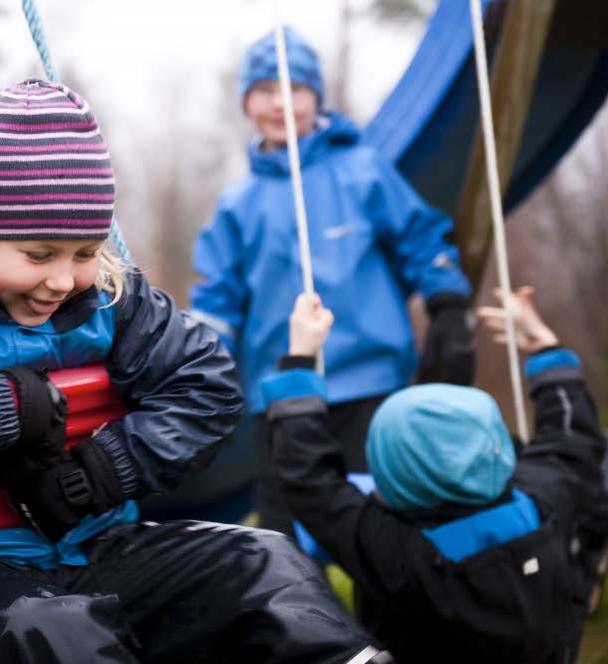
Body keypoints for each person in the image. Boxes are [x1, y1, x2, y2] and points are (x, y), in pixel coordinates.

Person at [0, 79, 391, 664]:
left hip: (92, 542)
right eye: (39, 256)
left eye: (86, 252)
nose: (64, 280)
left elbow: (208, 385)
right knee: (50, 633)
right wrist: (8, 407)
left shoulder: (115, 299)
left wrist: (99, 473)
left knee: (268, 570)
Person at [189, 26, 475, 535]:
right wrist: (197, 363)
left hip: (372, 381)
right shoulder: (239, 203)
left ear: (316, 95)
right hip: (282, 388)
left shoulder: (363, 170)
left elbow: (423, 239)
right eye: (265, 90)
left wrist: (447, 304)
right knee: (282, 536)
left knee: (385, 526)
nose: (281, 103)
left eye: (294, 88)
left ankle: (381, 617)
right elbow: (218, 297)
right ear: (246, 102)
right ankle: (296, 617)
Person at [259, 285, 608, 662]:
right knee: (583, 486)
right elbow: (570, 437)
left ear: (389, 481)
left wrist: (301, 357)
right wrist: (546, 346)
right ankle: (600, 519)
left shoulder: (397, 555)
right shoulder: (544, 499)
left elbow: (308, 478)